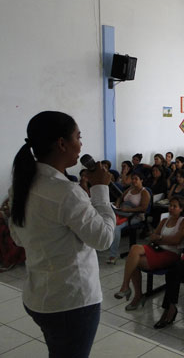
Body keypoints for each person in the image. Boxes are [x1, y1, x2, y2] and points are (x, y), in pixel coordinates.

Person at [8, 111, 115, 357]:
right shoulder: (66, 193)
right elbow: (104, 239)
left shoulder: (21, 186)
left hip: (39, 296)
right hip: (71, 302)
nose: (81, 144)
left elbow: (17, 237)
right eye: (78, 137)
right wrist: (100, 189)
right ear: (62, 143)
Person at [114, 196, 184, 310]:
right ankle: (127, 287)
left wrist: (159, 238)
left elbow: (176, 241)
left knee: (133, 260)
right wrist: (160, 238)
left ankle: (133, 292)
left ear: (181, 209)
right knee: (134, 251)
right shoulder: (165, 220)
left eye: (174, 206)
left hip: (171, 254)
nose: (171, 208)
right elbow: (152, 237)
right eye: (170, 205)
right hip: (157, 249)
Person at [109, 171, 151, 264]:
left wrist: (128, 211)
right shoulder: (129, 189)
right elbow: (120, 197)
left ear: (141, 180)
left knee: (116, 228)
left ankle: (113, 255)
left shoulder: (144, 192)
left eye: (136, 179)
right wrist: (117, 205)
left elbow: (143, 208)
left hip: (136, 216)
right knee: (110, 222)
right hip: (123, 213)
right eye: (132, 179)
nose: (133, 181)